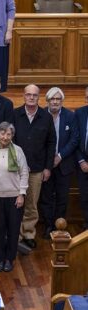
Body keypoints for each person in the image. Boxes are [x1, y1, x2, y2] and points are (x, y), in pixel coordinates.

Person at [0, 122, 29, 272]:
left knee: (13, 230)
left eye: (9, 134)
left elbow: (24, 173)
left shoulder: (18, 151)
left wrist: (21, 194)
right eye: (3, 133)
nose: (5, 137)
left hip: (14, 196)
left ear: (12, 136)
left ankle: (10, 259)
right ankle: (0, 259)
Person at [13, 84, 56, 250]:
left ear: (39, 97)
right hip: (15, 170)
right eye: (28, 95)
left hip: (37, 169)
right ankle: (15, 235)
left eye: (34, 95)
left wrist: (48, 167)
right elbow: (9, 140)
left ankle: (28, 234)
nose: (31, 97)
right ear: (24, 96)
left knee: (31, 205)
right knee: (16, 204)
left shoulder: (46, 117)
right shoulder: (15, 114)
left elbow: (51, 143)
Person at [39, 88, 78, 239]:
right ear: (47, 101)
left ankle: (59, 225)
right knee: (46, 197)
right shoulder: (41, 114)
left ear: (62, 101)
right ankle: (48, 225)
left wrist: (60, 156)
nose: (55, 102)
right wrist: (49, 160)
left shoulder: (70, 116)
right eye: (52, 99)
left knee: (62, 197)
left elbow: (74, 139)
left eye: (58, 99)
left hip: (64, 164)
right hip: (45, 165)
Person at [71, 86, 88, 231]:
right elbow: (75, 138)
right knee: (84, 197)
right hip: (83, 163)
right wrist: (81, 161)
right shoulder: (79, 113)